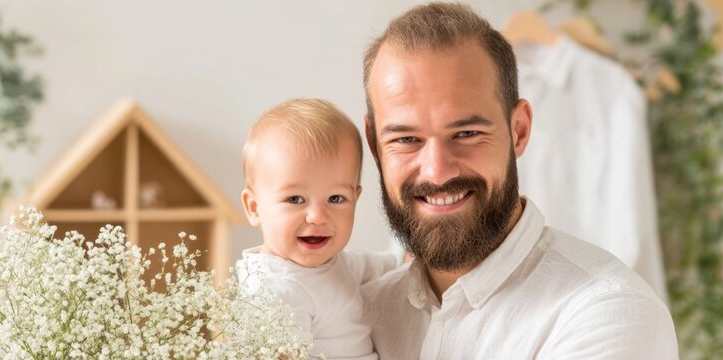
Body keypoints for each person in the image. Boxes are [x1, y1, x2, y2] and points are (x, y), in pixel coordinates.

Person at [359, 3, 679, 359]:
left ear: (519, 130)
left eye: (466, 133)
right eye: (406, 139)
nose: (437, 171)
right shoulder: (352, 314)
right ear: (374, 145)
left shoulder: (610, 311)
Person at [237, 98, 399, 360]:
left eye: (336, 199)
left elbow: (387, 265)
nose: (317, 216)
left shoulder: (337, 263)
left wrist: (408, 259)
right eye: (295, 199)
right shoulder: (274, 289)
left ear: (355, 199)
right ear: (254, 208)